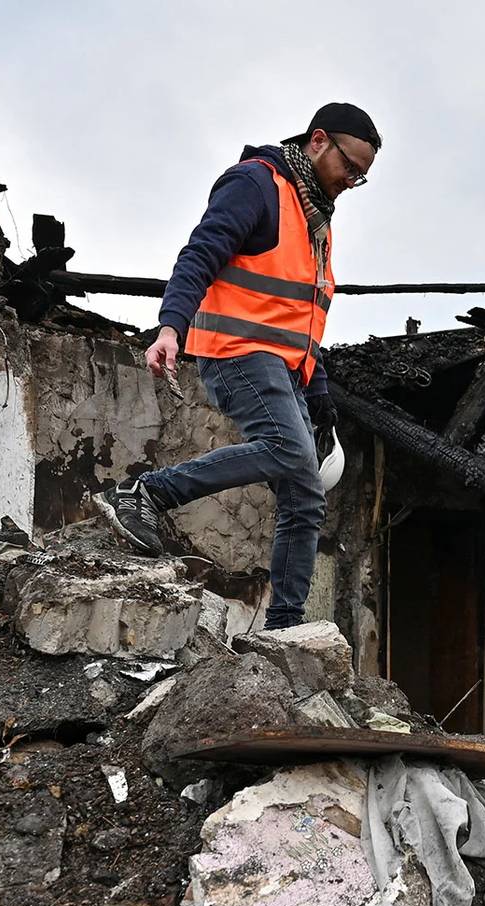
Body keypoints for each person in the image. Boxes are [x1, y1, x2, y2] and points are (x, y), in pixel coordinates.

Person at [95, 103, 380, 630]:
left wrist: (321, 405)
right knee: (284, 450)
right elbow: (199, 255)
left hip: (286, 368)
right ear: (318, 140)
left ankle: (285, 627)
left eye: (362, 177)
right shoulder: (257, 185)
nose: (352, 180)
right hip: (238, 353)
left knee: (305, 492)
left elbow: (301, 321)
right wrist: (170, 327)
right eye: (350, 166)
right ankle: (147, 493)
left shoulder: (315, 218)